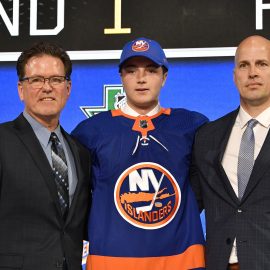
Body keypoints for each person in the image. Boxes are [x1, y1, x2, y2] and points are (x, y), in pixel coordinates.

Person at [72, 37, 207, 270]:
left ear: (164, 77)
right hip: (112, 261)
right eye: (131, 71)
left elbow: (205, 189)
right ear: (121, 77)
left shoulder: (191, 126)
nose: (141, 79)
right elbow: (77, 202)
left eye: (151, 70)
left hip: (181, 261)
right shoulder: (90, 132)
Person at [0, 42, 91, 270]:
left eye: (56, 80)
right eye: (37, 80)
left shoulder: (80, 152)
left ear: (68, 88)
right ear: (21, 89)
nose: (47, 87)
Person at [190, 35, 270, 270]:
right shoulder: (207, 136)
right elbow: (189, 205)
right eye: (244, 65)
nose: (252, 73)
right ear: (235, 76)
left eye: (262, 64)